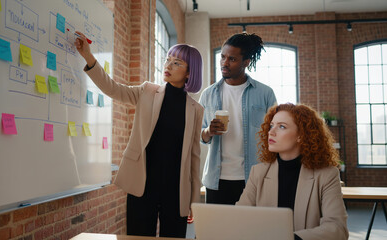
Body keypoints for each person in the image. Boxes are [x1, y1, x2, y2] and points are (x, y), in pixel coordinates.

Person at [74, 31, 204, 238]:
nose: (168, 66)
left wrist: (195, 203)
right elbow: (114, 89)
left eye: (177, 63)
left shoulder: (196, 109)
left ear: (190, 72)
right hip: (142, 185)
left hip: (176, 190)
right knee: (138, 237)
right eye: (168, 60)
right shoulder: (147, 92)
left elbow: (194, 157)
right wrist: (89, 57)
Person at [236, 103, 349, 240]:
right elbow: (239, 217)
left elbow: (337, 228)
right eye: (271, 125)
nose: (271, 132)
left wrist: (292, 238)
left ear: (301, 135)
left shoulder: (327, 175)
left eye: (282, 126)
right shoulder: (258, 172)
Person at [199, 33, 277, 204]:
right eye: (223, 57)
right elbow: (200, 136)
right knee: (217, 230)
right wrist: (208, 131)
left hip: (253, 178)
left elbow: (275, 134)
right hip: (216, 179)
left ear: (246, 62)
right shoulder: (208, 94)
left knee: (251, 230)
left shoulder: (265, 94)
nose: (224, 63)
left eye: (232, 59)